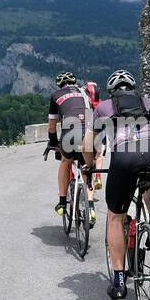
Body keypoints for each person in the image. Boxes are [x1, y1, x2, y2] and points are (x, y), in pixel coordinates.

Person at [89, 70, 150, 300]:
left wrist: (89, 165)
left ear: (112, 91)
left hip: (125, 158)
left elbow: (90, 145)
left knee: (115, 216)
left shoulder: (103, 107)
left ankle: (119, 280)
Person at [47, 71, 96, 225]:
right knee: (88, 167)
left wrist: (54, 143)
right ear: (75, 83)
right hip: (89, 132)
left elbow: (52, 125)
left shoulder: (56, 95)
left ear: (60, 85)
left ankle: (62, 202)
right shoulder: (85, 94)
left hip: (70, 132)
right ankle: (91, 205)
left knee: (65, 162)